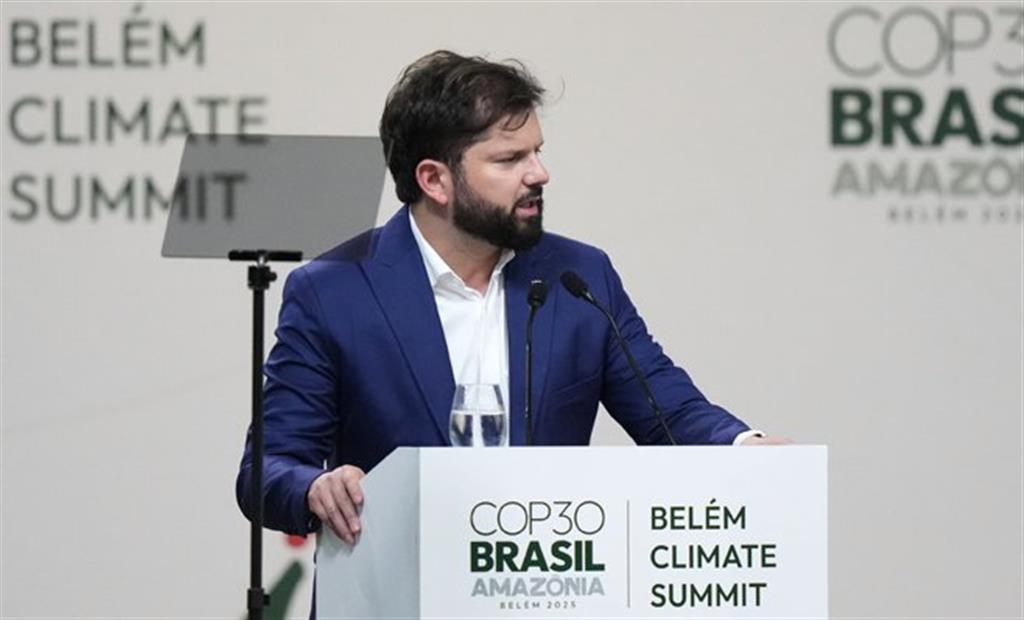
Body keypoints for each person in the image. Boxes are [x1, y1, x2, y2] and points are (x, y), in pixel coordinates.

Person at [236, 50, 786, 547]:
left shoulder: (580, 277)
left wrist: (743, 448)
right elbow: (266, 468)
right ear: (434, 180)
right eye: (509, 159)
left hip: (544, 592)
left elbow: (671, 412)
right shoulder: (334, 290)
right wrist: (315, 488)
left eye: (537, 152)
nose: (539, 174)